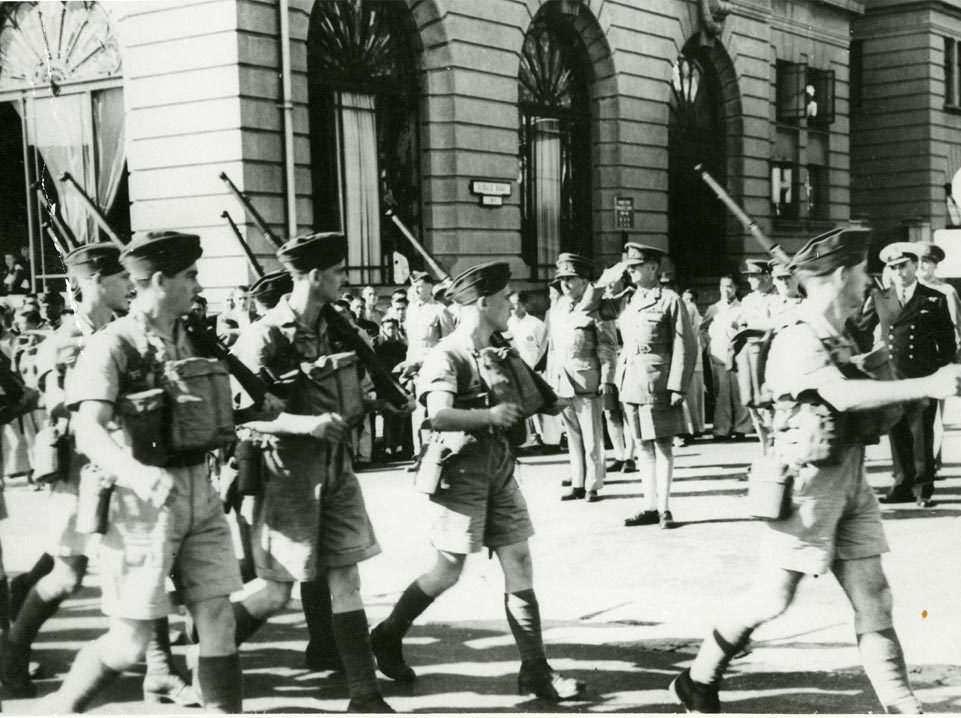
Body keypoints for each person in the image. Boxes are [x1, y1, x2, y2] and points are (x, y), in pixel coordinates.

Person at [670, 225, 960, 714]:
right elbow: (841, 395)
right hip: (806, 486)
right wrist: (927, 384)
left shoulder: (838, 332)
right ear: (842, 274)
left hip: (850, 477)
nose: (871, 281)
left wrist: (876, 362)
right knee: (772, 598)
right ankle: (698, 679)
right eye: (864, 271)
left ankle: (903, 706)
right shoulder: (796, 336)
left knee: (875, 597)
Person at [41, 231, 244, 713]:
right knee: (129, 640)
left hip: (199, 489)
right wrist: (137, 474)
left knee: (218, 614)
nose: (198, 285)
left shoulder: (192, 336)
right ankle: (58, 709)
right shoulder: (113, 345)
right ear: (157, 281)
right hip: (140, 505)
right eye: (189, 276)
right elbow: (89, 429)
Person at [369, 261, 585, 701]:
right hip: (461, 471)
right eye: (505, 298)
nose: (512, 304)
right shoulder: (447, 353)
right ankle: (388, 634)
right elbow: (437, 414)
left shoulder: (499, 349)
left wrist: (558, 400)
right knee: (448, 569)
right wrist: (487, 415)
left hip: (500, 466)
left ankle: (535, 670)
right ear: (483, 303)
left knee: (519, 561)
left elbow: (529, 397)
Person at [1, 243, 197, 705]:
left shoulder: (132, 332)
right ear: (93, 283)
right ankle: (12, 652)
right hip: (78, 471)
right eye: (117, 278)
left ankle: (161, 670)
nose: (128, 285)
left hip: (131, 467)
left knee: (150, 563)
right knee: (67, 573)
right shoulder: (60, 341)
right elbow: (56, 403)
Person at [229, 231, 393, 713]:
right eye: (339, 272)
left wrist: (376, 399)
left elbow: (349, 390)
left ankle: (365, 695)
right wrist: (306, 423)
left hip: (337, 470)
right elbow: (242, 412)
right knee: (277, 590)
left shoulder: (337, 328)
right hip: (289, 477)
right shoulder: (265, 334)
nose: (345, 280)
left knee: (347, 576)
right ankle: (211, 654)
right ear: (317, 276)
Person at [596, 244, 695, 528]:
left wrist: (678, 386)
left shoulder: (670, 299)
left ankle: (664, 508)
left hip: (657, 381)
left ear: (653, 267)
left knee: (662, 445)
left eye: (635, 266)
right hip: (629, 381)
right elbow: (591, 307)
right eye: (629, 266)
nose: (630, 271)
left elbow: (685, 344)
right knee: (641, 445)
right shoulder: (626, 299)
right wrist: (606, 279)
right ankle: (649, 506)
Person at [854, 242, 956, 507]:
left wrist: (937, 368)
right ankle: (902, 484)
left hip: (924, 376)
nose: (899, 272)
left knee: (922, 433)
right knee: (897, 431)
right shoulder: (880, 297)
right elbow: (861, 331)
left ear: (914, 265)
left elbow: (947, 342)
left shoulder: (933, 298)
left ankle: (923, 489)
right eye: (894, 267)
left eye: (904, 266)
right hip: (893, 376)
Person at [545, 253, 617, 502]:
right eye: (562, 278)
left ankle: (593, 484)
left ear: (585, 280)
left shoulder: (598, 307)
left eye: (571, 278)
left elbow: (606, 346)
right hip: (562, 380)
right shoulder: (557, 309)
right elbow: (553, 348)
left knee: (591, 435)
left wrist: (607, 379)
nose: (565, 283)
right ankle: (577, 481)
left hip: (588, 378)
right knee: (572, 434)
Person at [401, 271, 455, 452]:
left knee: (433, 410)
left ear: (430, 287)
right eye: (414, 286)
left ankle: (438, 451)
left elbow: (448, 342)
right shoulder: (411, 309)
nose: (416, 289)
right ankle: (419, 453)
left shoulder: (440, 310)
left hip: (432, 367)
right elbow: (411, 341)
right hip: (413, 367)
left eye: (420, 286)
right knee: (417, 411)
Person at [700, 275, 752, 440]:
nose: (726, 290)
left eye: (729, 286)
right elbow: (702, 329)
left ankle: (741, 428)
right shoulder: (714, 308)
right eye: (723, 287)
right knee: (721, 393)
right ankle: (721, 429)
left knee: (738, 392)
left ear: (735, 288)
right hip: (719, 356)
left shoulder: (743, 308)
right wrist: (709, 345)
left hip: (737, 356)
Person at [736, 259, 777, 450]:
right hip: (750, 357)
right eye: (749, 276)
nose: (750, 279)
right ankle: (764, 448)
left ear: (767, 276)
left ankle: (776, 449)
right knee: (752, 402)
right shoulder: (747, 300)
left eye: (754, 275)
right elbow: (743, 325)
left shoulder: (777, 297)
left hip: (771, 356)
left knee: (771, 403)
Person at [507, 291, 548, 446]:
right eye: (510, 304)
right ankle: (529, 441)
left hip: (535, 370)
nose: (512, 307)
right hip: (517, 371)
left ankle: (550, 440)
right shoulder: (508, 323)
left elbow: (544, 349)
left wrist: (540, 369)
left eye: (516, 303)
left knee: (542, 407)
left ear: (525, 305)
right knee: (523, 409)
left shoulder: (536, 324)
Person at [374, 317, 409, 459]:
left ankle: (400, 447)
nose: (391, 331)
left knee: (401, 415)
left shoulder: (403, 348)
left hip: (401, 384)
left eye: (393, 328)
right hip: (387, 386)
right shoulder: (380, 349)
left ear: (397, 329)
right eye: (388, 328)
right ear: (383, 330)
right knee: (388, 416)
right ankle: (388, 448)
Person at [679, 288, 706, 443]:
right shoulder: (683, 314)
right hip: (686, 360)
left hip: (696, 360)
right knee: (687, 397)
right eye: (685, 299)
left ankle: (697, 428)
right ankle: (688, 429)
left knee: (696, 395)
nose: (688, 303)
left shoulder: (697, 317)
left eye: (691, 299)